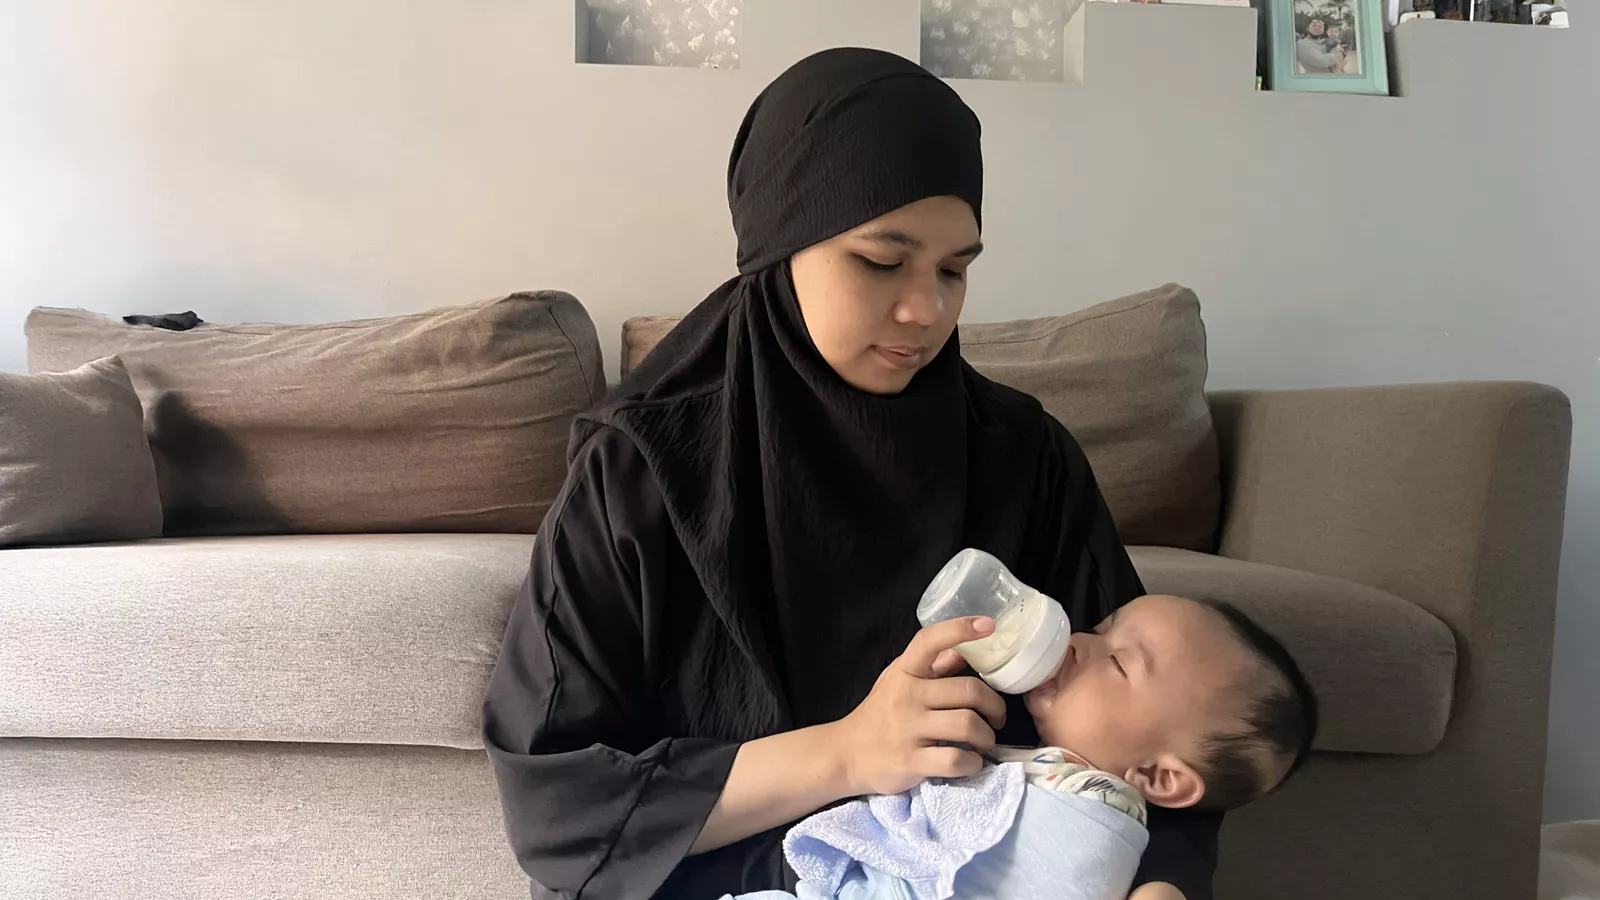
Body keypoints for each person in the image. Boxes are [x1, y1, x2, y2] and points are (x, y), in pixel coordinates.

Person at [482, 47, 1222, 900]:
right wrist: (849, 752)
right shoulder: (638, 471)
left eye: (956, 269)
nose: (927, 310)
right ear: (779, 247)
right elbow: (560, 809)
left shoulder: (1027, 459)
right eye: (881, 261)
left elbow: (1169, 731)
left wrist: (1161, 887)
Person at [723, 595, 1319, 900]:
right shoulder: (1045, 771)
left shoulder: (1089, 816)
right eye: (1104, 625)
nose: (1079, 641)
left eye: (1117, 661)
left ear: (1159, 778)